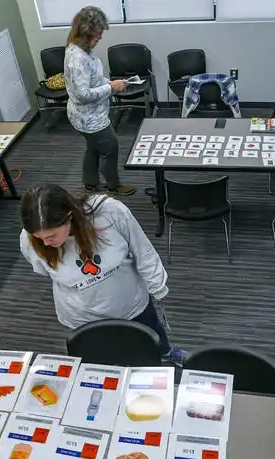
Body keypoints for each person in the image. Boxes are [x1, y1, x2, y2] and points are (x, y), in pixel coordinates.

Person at [19, 184, 185, 364]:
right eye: (38, 237)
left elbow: (142, 249)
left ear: (69, 216)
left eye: (51, 235)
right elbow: (45, 271)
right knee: (103, 353)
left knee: (152, 337)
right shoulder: (28, 240)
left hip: (130, 302)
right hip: (82, 315)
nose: (46, 242)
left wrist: (157, 285)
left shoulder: (110, 212)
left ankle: (165, 353)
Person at [64, 6, 135, 196]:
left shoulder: (74, 46)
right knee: (110, 148)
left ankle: (90, 183)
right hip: (90, 119)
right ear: (84, 33)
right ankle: (113, 186)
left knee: (93, 148)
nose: (99, 39)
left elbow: (91, 79)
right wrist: (112, 88)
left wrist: (109, 83)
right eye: (96, 35)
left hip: (83, 116)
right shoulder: (79, 58)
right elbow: (82, 94)